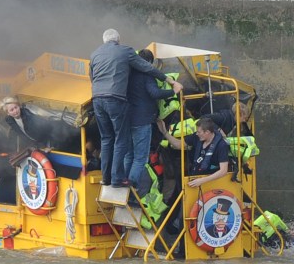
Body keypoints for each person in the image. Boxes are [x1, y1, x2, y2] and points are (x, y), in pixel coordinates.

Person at [90, 29, 182, 188]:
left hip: (98, 100)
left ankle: (108, 178)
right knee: (136, 154)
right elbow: (152, 82)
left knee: (112, 142)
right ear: (118, 40)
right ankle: (127, 183)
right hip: (131, 113)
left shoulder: (95, 55)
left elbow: (92, 77)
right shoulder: (127, 53)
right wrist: (171, 85)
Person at [124, 48, 177, 195]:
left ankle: (123, 182)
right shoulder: (147, 76)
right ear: (149, 62)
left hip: (126, 119)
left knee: (128, 154)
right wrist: (174, 91)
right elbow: (155, 93)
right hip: (142, 120)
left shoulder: (127, 73)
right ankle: (132, 187)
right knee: (140, 157)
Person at [156, 117, 229, 188]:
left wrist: (202, 181)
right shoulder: (196, 137)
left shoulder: (221, 145)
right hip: (195, 178)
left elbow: (223, 171)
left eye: (199, 132)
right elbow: (178, 144)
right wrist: (164, 132)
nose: (197, 133)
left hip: (212, 182)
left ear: (207, 132)